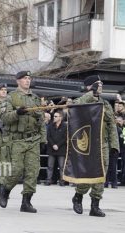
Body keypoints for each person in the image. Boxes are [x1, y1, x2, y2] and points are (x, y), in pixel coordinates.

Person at [71, 75, 119, 217]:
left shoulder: (105, 104)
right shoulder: (83, 101)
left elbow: (111, 125)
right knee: (88, 173)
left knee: (101, 175)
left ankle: (95, 205)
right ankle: (78, 196)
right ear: (89, 86)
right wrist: (90, 94)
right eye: (98, 84)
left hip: (102, 144)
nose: (101, 86)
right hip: (87, 144)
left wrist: (114, 145)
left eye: (101, 83)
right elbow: (74, 107)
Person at [0, 71, 46, 213]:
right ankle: (5, 190)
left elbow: (42, 122)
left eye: (29, 78)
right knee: (16, 171)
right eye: (24, 78)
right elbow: (4, 118)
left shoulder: (36, 99)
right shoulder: (10, 98)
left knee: (32, 172)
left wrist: (43, 139)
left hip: (33, 139)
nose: (27, 81)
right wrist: (17, 113)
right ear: (18, 81)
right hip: (17, 141)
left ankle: (26, 202)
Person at [45, 111, 67, 186]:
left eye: (55, 116)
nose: (54, 117)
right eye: (54, 116)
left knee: (61, 166)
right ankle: (48, 180)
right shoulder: (51, 126)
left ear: (60, 117)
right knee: (50, 166)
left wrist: (57, 145)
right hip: (51, 148)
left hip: (61, 149)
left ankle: (62, 181)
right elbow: (48, 137)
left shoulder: (65, 126)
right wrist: (53, 144)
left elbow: (65, 138)